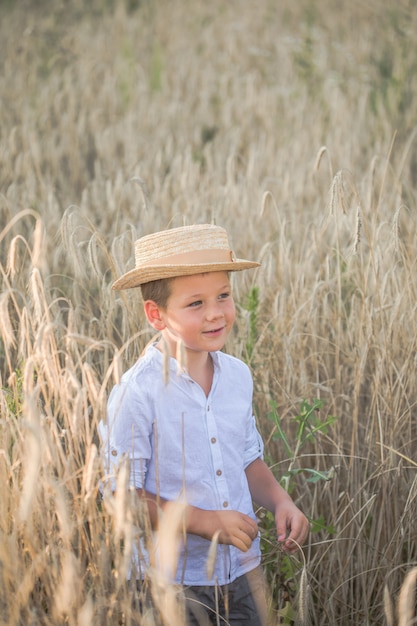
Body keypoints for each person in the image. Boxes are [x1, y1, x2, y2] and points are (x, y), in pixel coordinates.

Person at [99, 223, 309, 625]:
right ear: (155, 314)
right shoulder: (138, 393)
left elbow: (246, 459)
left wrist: (281, 501)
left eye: (223, 296)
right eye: (195, 303)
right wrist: (205, 522)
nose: (215, 313)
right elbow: (120, 497)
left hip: (243, 571)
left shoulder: (237, 376)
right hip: (171, 582)